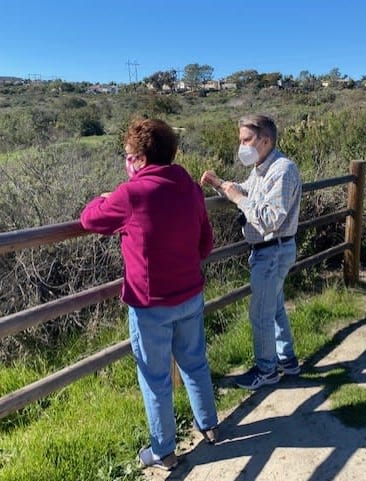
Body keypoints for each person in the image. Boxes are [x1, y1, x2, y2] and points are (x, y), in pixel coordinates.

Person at [80, 118, 219, 471]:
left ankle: (164, 451)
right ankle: (210, 426)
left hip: (149, 304)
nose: (126, 161)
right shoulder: (189, 186)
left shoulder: (130, 194)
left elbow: (90, 220)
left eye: (128, 155)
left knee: (155, 379)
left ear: (140, 158)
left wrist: (103, 197)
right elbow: (206, 243)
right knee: (195, 362)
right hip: (190, 294)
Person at [200, 114, 302, 390]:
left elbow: (270, 218)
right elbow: (248, 193)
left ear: (265, 140)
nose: (241, 145)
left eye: (247, 139)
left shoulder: (282, 170)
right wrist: (222, 185)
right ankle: (287, 360)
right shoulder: (262, 168)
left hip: (272, 251)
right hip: (270, 251)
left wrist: (237, 198)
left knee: (260, 314)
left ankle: (267, 370)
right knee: (275, 307)